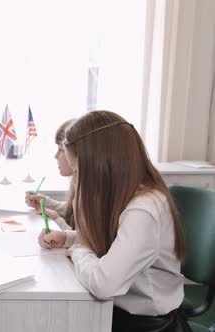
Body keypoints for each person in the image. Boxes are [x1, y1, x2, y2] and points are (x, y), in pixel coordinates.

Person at [38, 111, 190, 332]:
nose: (77, 178)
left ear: (102, 166)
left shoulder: (144, 209)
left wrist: (80, 251)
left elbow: (103, 284)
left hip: (145, 323)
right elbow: (118, 238)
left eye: (78, 170)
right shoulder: (126, 193)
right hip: (120, 311)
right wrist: (70, 238)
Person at [25, 119, 75, 230]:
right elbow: (73, 210)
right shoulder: (77, 182)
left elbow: (86, 239)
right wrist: (47, 203)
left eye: (61, 149)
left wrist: (57, 219)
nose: (56, 155)